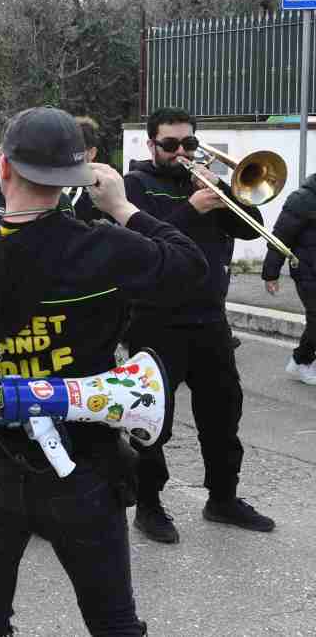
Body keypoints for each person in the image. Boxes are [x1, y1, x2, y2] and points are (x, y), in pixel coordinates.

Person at [0, 106, 208, 636]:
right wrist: (122, 207)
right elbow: (190, 267)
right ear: (77, 178)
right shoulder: (103, 247)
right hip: (85, 468)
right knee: (113, 623)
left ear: (3, 167)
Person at [123, 106, 276, 544]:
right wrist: (190, 208)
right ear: (152, 144)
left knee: (223, 415)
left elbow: (252, 230)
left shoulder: (207, 183)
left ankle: (223, 498)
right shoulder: (136, 185)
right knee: (153, 419)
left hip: (210, 319)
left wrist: (224, 190)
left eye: (189, 143)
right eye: (170, 144)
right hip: (156, 322)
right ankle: (148, 505)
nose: (181, 152)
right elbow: (142, 245)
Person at [263, 172, 316, 383]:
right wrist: (270, 274)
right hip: (308, 271)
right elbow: (280, 237)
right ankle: (300, 362)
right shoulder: (302, 198)